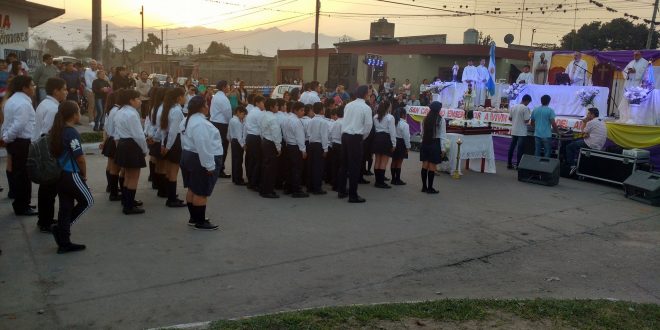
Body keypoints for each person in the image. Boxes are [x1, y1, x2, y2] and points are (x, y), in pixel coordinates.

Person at [49, 101, 93, 253]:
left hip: (59, 175)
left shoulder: (56, 130)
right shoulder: (71, 132)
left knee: (65, 207)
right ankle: (61, 230)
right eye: (79, 111)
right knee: (88, 200)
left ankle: (64, 243)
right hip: (71, 174)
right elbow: (79, 157)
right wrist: (84, 174)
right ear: (74, 114)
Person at [179, 95, 221, 230]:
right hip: (199, 159)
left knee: (192, 188)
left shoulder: (187, 119)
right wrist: (209, 165)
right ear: (202, 107)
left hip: (188, 156)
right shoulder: (200, 123)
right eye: (206, 105)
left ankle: (194, 217)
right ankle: (200, 221)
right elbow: (203, 146)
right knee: (201, 191)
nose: (208, 107)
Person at [33, 77, 68, 232]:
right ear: (56, 91)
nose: (66, 92)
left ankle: (44, 219)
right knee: (49, 190)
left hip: (45, 152)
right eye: (64, 89)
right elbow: (47, 133)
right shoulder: (53, 109)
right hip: (49, 154)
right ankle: (45, 222)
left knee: (46, 190)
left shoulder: (45, 104)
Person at [1, 76, 38, 215]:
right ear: (24, 88)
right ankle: (22, 206)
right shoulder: (22, 103)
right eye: (32, 85)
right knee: (23, 176)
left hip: (16, 142)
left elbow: (7, 123)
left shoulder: (13, 100)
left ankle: (22, 203)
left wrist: (6, 137)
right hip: (21, 142)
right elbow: (18, 125)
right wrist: (8, 137)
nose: (34, 88)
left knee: (19, 175)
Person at [336, 85, 373, 203]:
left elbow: (345, 120)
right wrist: (361, 137)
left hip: (345, 135)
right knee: (355, 167)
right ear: (366, 94)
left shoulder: (348, 105)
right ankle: (353, 195)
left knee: (344, 165)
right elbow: (368, 126)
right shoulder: (366, 108)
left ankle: (341, 190)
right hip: (356, 137)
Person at [114, 90, 148, 215]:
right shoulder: (132, 114)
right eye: (137, 98)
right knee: (133, 177)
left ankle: (127, 200)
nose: (139, 101)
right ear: (131, 100)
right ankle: (129, 206)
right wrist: (144, 150)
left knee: (128, 175)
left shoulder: (120, 112)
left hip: (123, 144)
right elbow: (138, 135)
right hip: (132, 145)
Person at [160, 88, 187, 208]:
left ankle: (171, 195)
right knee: (173, 172)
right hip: (174, 143)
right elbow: (173, 131)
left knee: (169, 170)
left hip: (169, 142)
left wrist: (163, 144)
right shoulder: (176, 111)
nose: (185, 98)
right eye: (183, 96)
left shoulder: (168, 109)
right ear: (178, 98)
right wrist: (168, 146)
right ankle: (171, 199)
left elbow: (163, 129)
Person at [566, 108, 606, 174]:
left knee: (569, 146)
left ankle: (571, 165)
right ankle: (578, 162)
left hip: (591, 143)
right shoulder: (602, 121)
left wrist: (584, 122)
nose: (587, 115)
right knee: (577, 144)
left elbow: (583, 132)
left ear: (592, 115)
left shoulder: (591, 122)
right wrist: (586, 134)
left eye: (588, 113)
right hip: (599, 144)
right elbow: (587, 134)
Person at [419, 101, 446, 194]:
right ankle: (430, 188)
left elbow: (422, 133)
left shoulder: (425, 119)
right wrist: (443, 149)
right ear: (438, 110)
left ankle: (424, 187)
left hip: (425, 142)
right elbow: (442, 135)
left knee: (425, 165)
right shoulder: (441, 120)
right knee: (432, 166)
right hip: (435, 143)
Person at [100, 91, 122, 202]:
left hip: (110, 139)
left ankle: (111, 186)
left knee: (110, 166)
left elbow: (106, 127)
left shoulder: (111, 110)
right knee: (115, 168)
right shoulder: (117, 110)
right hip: (114, 140)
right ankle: (113, 192)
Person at [284, 102, 309, 198]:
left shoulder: (287, 119)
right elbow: (300, 137)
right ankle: (296, 190)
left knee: (290, 168)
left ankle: (288, 188)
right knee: (297, 169)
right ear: (295, 110)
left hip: (289, 146)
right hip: (296, 147)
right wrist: (303, 150)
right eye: (301, 110)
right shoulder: (297, 121)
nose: (303, 112)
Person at [259, 98, 282, 198]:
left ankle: (264, 189)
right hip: (271, 143)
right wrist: (278, 147)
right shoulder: (273, 118)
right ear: (272, 107)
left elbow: (261, 129)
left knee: (266, 167)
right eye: (276, 105)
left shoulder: (263, 115)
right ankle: (268, 191)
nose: (278, 107)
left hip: (265, 141)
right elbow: (276, 134)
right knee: (271, 169)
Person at [209, 80, 232, 179]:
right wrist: (231, 123)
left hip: (214, 122)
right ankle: (220, 169)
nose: (229, 88)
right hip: (222, 125)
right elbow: (227, 113)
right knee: (223, 147)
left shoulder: (216, 96)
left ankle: (215, 167)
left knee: (215, 146)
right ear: (223, 87)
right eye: (227, 86)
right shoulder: (223, 98)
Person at [372, 100, 396, 189]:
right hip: (386, 138)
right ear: (387, 107)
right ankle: (381, 182)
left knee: (377, 160)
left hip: (377, 137)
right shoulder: (390, 117)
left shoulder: (375, 116)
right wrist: (394, 143)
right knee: (384, 161)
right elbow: (392, 131)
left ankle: (377, 181)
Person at [307, 102, 330, 194]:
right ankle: (317, 188)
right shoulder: (323, 122)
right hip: (319, 145)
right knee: (318, 167)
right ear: (321, 110)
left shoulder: (311, 120)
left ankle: (310, 186)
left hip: (311, 144)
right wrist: (325, 149)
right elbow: (324, 136)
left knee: (311, 166)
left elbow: (308, 133)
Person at [245, 95, 265, 190]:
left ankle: (251, 181)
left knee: (252, 161)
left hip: (249, 136)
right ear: (257, 103)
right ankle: (254, 183)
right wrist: (263, 139)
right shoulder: (258, 113)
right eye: (262, 102)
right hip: (255, 137)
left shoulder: (251, 112)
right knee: (258, 161)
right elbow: (261, 129)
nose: (263, 105)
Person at [507, 94, 532, 169]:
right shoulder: (525, 108)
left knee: (512, 147)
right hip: (522, 131)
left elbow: (510, 118)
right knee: (520, 149)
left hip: (514, 130)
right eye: (529, 102)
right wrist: (530, 117)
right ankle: (518, 165)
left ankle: (509, 163)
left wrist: (516, 120)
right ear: (527, 101)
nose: (528, 103)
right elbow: (526, 120)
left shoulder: (513, 107)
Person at [391, 107, 410, 185]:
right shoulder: (405, 124)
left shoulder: (394, 122)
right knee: (399, 162)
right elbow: (406, 136)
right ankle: (397, 179)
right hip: (401, 143)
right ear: (403, 115)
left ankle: (393, 179)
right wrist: (408, 146)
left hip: (394, 141)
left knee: (393, 160)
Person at [228, 106, 247, 185]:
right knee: (238, 161)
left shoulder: (232, 120)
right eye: (243, 114)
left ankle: (235, 178)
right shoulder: (237, 122)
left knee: (235, 160)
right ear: (238, 112)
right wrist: (243, 145)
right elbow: (239, 136)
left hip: (233, 141)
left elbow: (228, 132)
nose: (243, 116)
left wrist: (229, 138)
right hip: (237, 142)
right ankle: (238, 179)